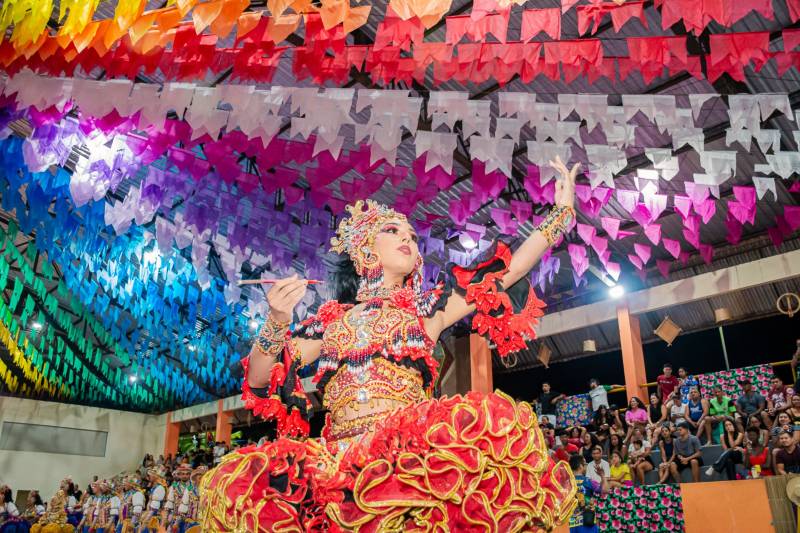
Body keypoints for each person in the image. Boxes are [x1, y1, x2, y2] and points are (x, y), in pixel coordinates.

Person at [201, 162, 581, 532]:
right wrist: (278, 320)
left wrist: (561, 215)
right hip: (335, 472)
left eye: (413, 237)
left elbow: (507, 270)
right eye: (393, 230)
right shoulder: (330, 321)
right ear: (366, 249)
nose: (408, 239)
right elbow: (261, 377)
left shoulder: (426, 309)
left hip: (411, 468)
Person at [569, 454, 606, 533]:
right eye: (585, 464)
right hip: (587, 521)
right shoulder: (588, 481)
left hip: (571, 523)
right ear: (580, 466)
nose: (586, 466)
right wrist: (602, 476)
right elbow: (604, 490)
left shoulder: (566, 483)